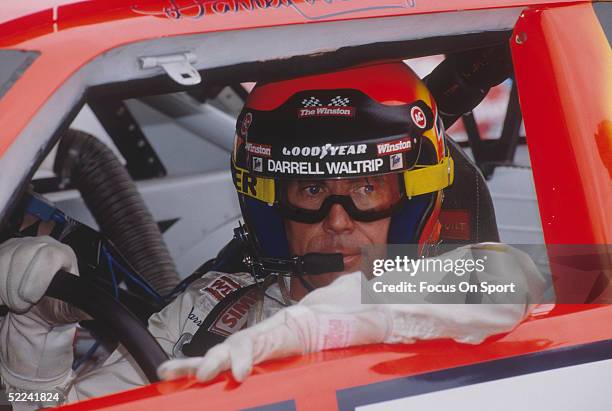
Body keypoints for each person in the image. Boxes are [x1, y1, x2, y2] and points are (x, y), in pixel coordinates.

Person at [0, 62, 545, 408]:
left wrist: (339, 317)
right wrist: (35, 342)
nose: (337, 221)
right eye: (310, 190)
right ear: (271, 206)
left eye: (366, 190)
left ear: (411, 201)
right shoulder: (207, 313)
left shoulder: (460, 289)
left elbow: (510, 279)